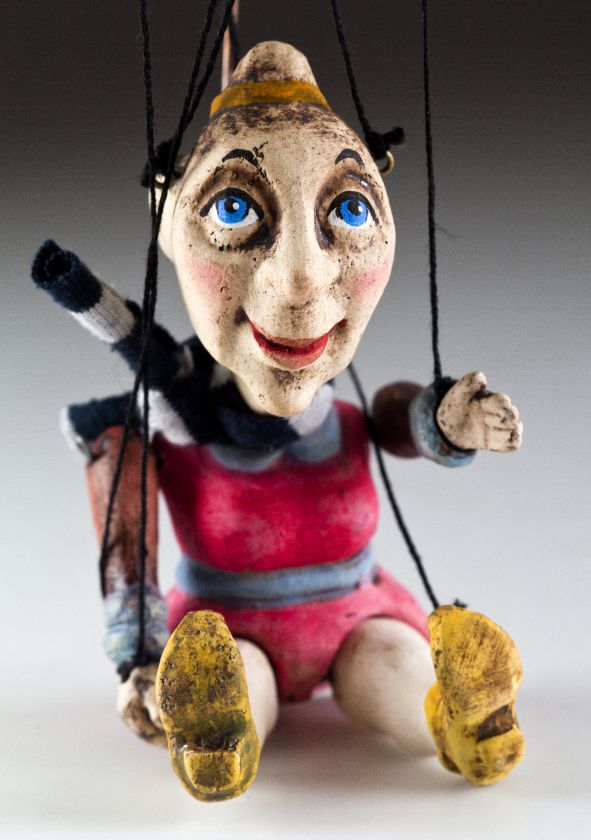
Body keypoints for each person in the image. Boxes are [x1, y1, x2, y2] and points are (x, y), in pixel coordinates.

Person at [32, 41, 524, 802]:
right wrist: (138, 656)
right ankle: (219, 732)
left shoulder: (339, 418)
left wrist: (443, 421)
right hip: (230, 625)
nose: (301, 279)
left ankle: (457, 722)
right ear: (168, 222)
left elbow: (393, 418)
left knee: (391, 661)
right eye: (234, 209)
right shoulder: (174, 427)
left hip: (355, 613)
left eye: (350, 210)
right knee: (239, 682)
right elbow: (127, 547)